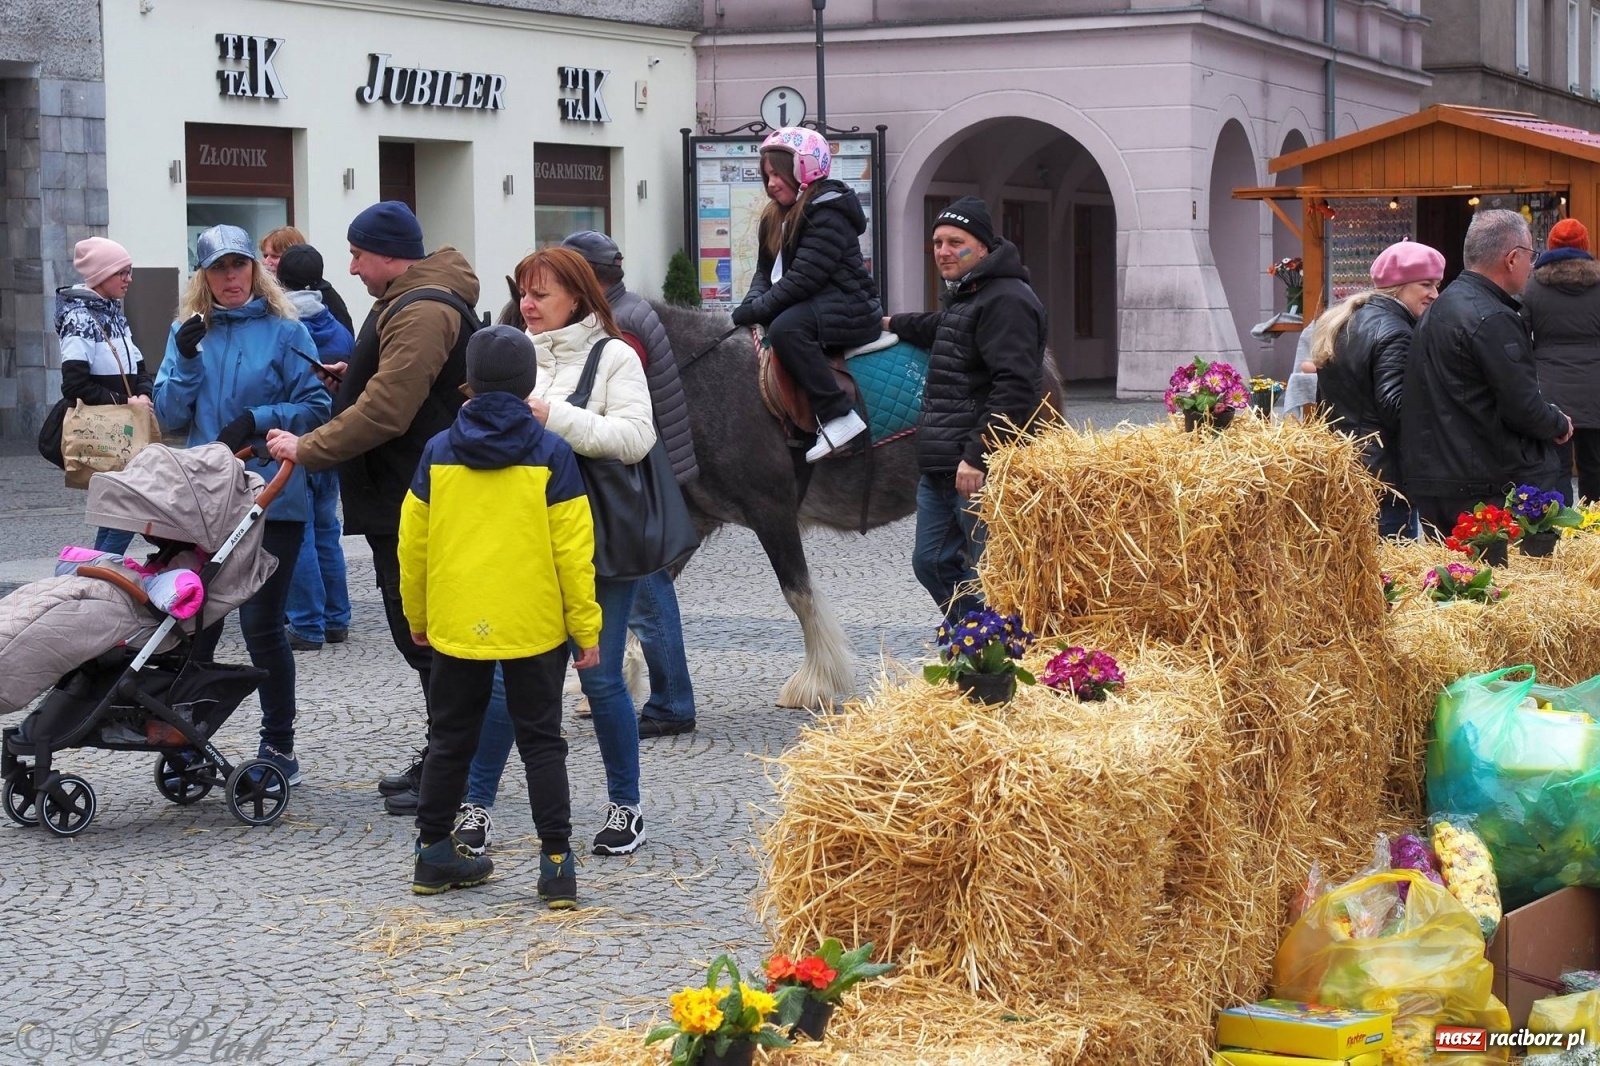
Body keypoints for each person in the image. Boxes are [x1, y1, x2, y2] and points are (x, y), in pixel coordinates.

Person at [264, 201, 481, 816]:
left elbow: (390, 410)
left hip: (416, 498)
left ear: (389, 255)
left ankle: (453, 773)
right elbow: (393, 388)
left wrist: (309, 448)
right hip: (406, 495)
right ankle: (447, 760)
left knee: (428, 638)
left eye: (359, 254)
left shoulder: (424, 307)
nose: (352, 267)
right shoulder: (413, 300)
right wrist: (350, 379)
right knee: (424, 638)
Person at [400, 324, 601, 905]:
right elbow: (573, 552)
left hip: (458, 624)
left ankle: (432, 855)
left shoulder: (437, 451)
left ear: (468, 383)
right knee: (542, 741)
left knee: (450, 739)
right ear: (529, 382)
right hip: (534, 625)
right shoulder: (553, 453)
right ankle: (557, 864)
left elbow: (412, 546)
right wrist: (584, 628)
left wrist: (419, 613)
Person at [152, 224, 331, 784]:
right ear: (202, 276)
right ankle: (189, 740)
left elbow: (318, 406)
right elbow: (171, 417)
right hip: (206, 499)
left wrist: (260, 418)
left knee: (260, 624)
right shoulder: (189, 332)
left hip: (274, 495)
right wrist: (183, 362)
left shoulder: (286, 331)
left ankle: (279, 745)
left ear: (256, 269)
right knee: (196, 622)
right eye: (219, 269)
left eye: (240, 265)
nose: (231, 277)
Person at [509, 246, 656, 857]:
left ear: (576, 295)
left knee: (599, 678)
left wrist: (556, 417)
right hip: (523, 539)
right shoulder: (514, 352)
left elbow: (637, 439)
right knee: (506, 680)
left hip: (599, 540)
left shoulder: (616, 354)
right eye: (524, 291)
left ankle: (627, 806)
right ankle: (475, 806)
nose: (527, 303)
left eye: (541, 293)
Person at [562, 230, 699, 738]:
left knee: (646, 592)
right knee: (646, 587)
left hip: (631, 475)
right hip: (639, 469)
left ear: (586, 278)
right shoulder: (628, 310)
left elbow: (617, 410)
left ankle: (670, 703)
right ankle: (662, 698)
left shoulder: (618, 325)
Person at [886, 196, 1046, 624]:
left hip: (978, 470)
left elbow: (1014, 389)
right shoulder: (969, 296)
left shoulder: (1007, 299)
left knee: (987, 575)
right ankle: (976, 642)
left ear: (984, 247)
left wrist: (977, 454)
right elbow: (944, 329)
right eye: (937, 242)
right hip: (941, 470)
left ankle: (995, 662)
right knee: (931, 563)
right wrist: (889, 324)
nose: (943, 250)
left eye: (955, 241)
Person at [1400, 208, 1574, 536]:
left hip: (1441, 478)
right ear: (1512, 259)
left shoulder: (1442, 305)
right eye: (1531, 257)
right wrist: (1557, 422)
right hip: (1483, 486)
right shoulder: (1493, 317)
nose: (1531, 267)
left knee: (1457, 583)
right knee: (1495, 584)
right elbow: (1522, 407)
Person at [730, 126, 882, 462]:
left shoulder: (828, 212)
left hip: (850, 306)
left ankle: (839, 416)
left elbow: (803, 279)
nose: (771, 183)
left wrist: (759, 311)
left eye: (778, 174)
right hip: (814, 305)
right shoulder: (773, 217)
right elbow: (764, 272)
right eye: (766, 175)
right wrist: (750, 304)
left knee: (787, 329)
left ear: (804, 169)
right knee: (777, 324)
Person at [1310, 239, 1444, 538]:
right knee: (1389, 577)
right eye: (1426, 284)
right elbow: (1397, 408)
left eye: (1436, 285)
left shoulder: (1347, 320)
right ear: (1399, 285)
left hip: (1348, 470)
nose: (1434, 294)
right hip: (1384, 480)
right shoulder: (1397, 331)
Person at [275, 244, 355, 652]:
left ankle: (306, 622)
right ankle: (337, 618)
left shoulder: (280, 324)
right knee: (327, 530)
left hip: (295, 439)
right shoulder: (336, 323)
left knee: (299, 530)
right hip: (334, 439)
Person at [54, 236, 154, 554]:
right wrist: (126, 402)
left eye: (129, 270)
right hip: (106, 428)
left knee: (119, 507)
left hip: (126, 424)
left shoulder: (112, 312)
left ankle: (98, 570)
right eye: (121, 272)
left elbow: (137, 363)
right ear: (100, 275)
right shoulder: (79, 319)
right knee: (130, 504)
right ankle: (101, 571)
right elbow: (74, 385)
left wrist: (144, 392)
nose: (129, 278)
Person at [1521, 217, 1600, 502]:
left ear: (1550, 246)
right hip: (1596, 390)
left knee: (1556, 468)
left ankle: (1563, 533)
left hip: (1550, 389)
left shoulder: (1533, 285)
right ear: (1585, 246)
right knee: (1596, 466)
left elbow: (1519, 335)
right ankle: (1595, 532)